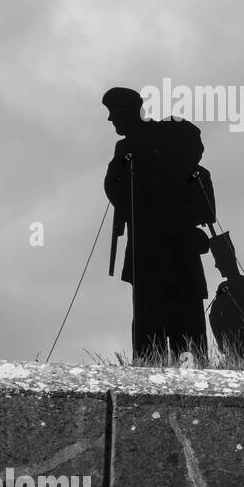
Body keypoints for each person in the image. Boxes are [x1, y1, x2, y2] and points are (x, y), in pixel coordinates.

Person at [102, 87, 210, 362]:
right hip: (164, 245)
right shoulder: (139, 144)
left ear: (127, 112)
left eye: (114, 114)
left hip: (160, 245)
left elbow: (112, 190)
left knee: (166, 318)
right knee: (165, 319)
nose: (111, 120)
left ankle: (168, 366)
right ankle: (170, 366)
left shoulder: (142, 142)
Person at [207, 232, 244, 359]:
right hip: (229, 335)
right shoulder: (223, 286)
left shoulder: (243, 283)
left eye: (219, 262)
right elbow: (214, 313)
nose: (216, 266)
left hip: (243, 335)